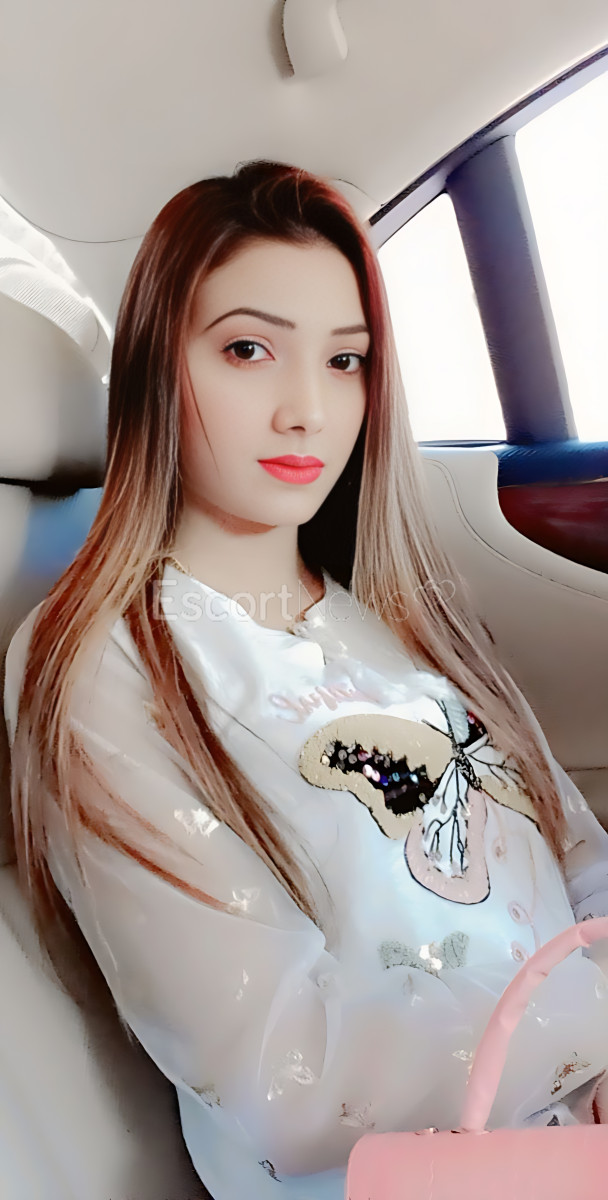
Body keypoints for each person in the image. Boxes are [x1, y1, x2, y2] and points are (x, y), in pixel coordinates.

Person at [4, 159, 608, 1200]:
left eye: (344, 360)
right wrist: (589, 1036)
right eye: (248, 350)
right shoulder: (108, 658)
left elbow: (578, 863)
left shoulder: (407, 627)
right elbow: (283, 1074)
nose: (307, 411)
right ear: (157, 365)